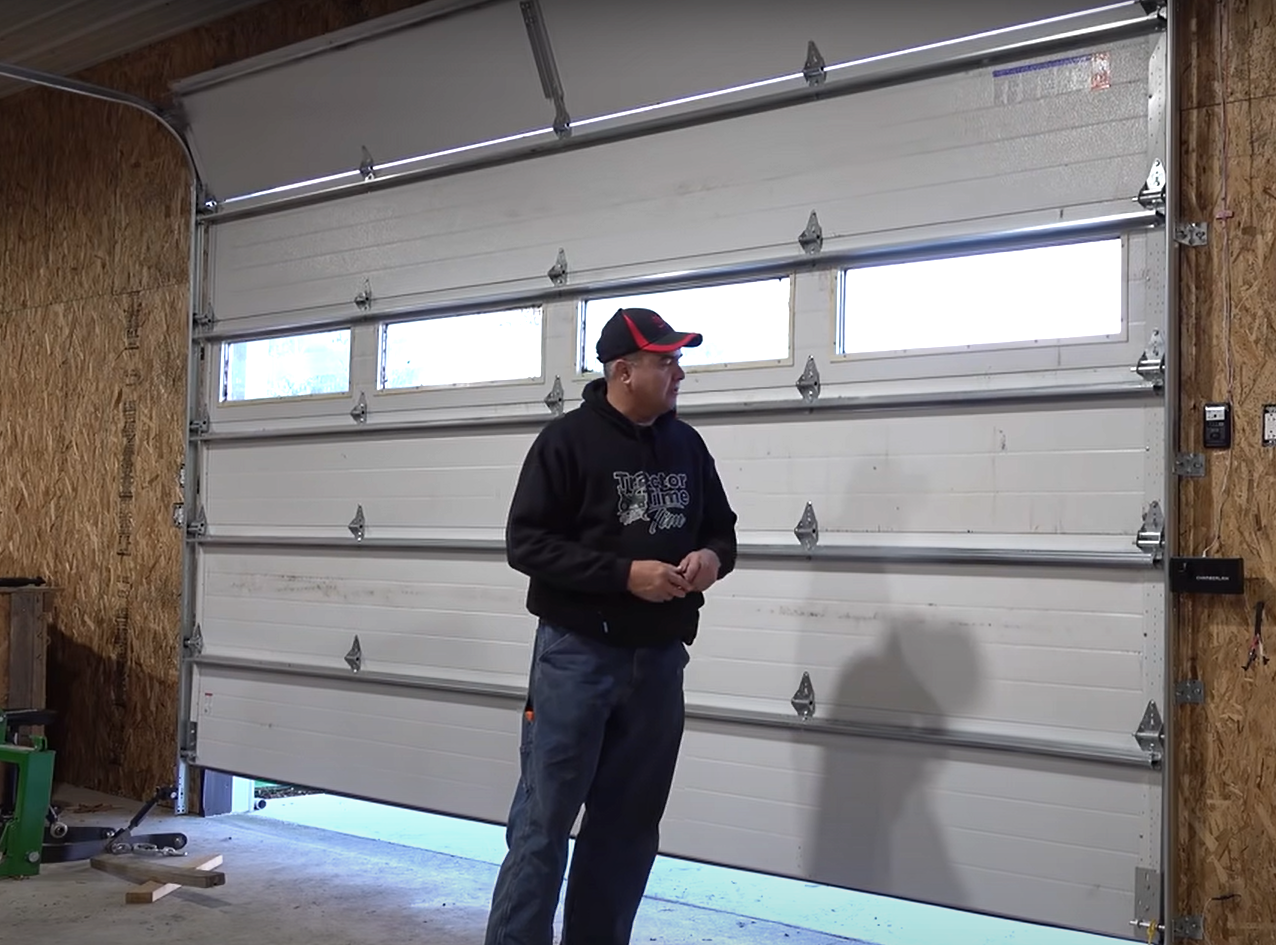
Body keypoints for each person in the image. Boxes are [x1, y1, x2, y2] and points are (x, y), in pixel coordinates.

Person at [484, 307, 739, 945]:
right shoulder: (566, 442)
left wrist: (711, 558)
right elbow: (527, 545)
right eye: (665, 361)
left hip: (658, 665)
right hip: (577, 658)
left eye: (678, 360)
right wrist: (626, 575)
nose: (678, 372)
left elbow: (722, 530)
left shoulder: (687, 444)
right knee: (543, 826)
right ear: (624, 371)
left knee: (626, 832)